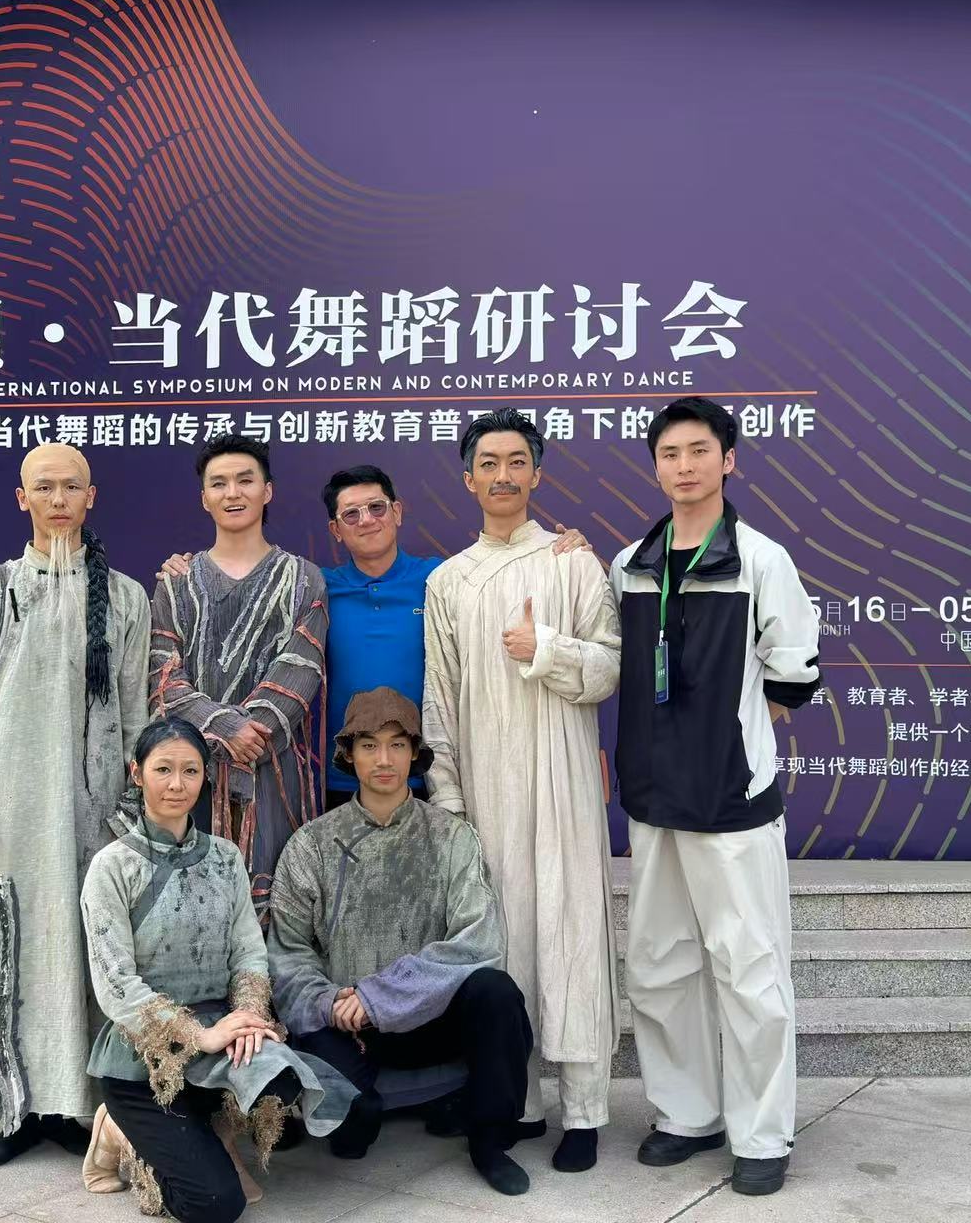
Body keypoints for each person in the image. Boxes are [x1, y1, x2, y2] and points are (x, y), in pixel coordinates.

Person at [609, 397, 821, 1197]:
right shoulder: (630, 563)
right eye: (670, 453)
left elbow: (792, 677)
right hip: (653, 801)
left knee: (750, 970)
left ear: (728, 460)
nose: (685, 466)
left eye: (700, 450)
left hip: (732, 801)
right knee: (659, 967)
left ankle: (762, 1134)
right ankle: (686, 1115)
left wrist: (726, 740)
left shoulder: (762, 560)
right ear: (655, 466)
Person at [0, 442, 152, 1168]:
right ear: (21, 498)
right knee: (14, 955)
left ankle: (79, 1107)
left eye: (72, 487)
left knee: (90, 957)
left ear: (92, 497)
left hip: (97, 818)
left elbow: (138, 714)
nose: (59, 500)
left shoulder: (126, 597)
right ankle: (15, 1110)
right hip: (12, 814)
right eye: (45, 488)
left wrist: (132, 812)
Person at [422, 408, 622, 1173]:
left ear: (537, 474)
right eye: (488, 463)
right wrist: (449, 800)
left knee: (571, 934)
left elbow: (609, 668)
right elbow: (440, 699)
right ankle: (520, 1102)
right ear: (467, 478)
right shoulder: (449, 580)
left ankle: (586, 1111)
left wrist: (547, 648)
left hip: (563, 783)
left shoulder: (574, 564)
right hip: (487, 790)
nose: (502, 476)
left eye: (516, 462)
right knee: (505, 944)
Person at [159, 464, 591, 806]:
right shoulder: (316, 588)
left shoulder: (442, 579)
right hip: (338, 775)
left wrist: (562, 549)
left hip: (431, 773)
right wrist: (186, 568)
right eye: (351, 514)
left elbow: (505, 581)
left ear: (397, 512)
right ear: (336, 529)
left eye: (377, 508)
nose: (366, 520)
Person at [79, 719, 357, 1222]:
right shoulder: (112, 867)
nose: (177, 784)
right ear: (137, 773)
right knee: (215, 1205)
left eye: (190, 771)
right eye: (163, 770)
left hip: (220, 1036)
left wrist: (248, 1019)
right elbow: (116, 984)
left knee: (285, 1078)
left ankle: (217, 1135)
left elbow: (249, 953)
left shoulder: (226, 859)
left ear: (205, 777)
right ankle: (120, 1129)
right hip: (146, 1058)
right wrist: (199, 1036)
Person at [269, 688, 536, 1196]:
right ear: (349, 755)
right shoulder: (311, 844)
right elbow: (288, 954)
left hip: (426, 1018)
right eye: (369, 745)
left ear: (415, 753)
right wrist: (332, 1002)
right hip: (346, 1026)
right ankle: (371, 1107)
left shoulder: (452, 837)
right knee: (350, 1135)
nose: (384, 759)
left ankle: (489, 1140)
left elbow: (477, 942)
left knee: (497, 993)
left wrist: (381, 996)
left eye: (397, 744)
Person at [148, 435, 327, 925]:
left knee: (281, 914)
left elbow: (301, 668)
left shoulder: (303, 578)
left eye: (245, 481)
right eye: (219, 483)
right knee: (188, 911)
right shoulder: (176, 583)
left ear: (267, 491)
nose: (233, 493)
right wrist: (225, 728)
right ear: (204, 498)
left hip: (274, 768)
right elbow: (163, 676)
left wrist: (251, 735)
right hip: (192, 774)